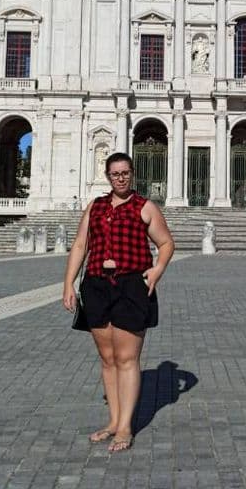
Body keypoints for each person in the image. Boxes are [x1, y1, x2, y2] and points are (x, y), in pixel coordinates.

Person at [63, 152, 175, 453]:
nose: (120, 178)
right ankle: (113, 421)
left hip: (131, 286)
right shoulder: (95, 207)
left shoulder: (145, 207)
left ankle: (125, 426)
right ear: (108, 176)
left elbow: (166, 243)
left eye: (125, 173)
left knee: (127, 360)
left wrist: (157, 269)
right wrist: (68, 283)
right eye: (115, 174)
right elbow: (79, 245)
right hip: (97, 284)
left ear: (132, 174)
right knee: (108, 359)